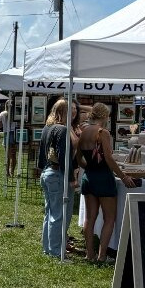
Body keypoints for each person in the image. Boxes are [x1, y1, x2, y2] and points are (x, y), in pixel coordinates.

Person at [78, 103, 136, 264]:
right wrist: (123, 177)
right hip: (104, 178)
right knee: (109, 218)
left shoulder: (83, 132)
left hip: (89, 177)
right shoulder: (102, 132)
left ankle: (89, 254)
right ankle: (102, 255)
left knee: (90, 218)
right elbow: (109, 159)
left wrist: (90, 167)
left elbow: (78, 159)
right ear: (105, 116)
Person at [37, 98, 80, 258]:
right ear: (64, 112)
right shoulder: (62, 130)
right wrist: (71, 178)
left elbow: (41, 153)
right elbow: (64, 158)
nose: (74, 113)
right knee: (60, 215)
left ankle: (48, 248)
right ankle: (56, 251)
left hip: (47, 173)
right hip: (58, 174)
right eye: (71, 111)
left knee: (50, 213)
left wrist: (40, 169)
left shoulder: (47, 128)